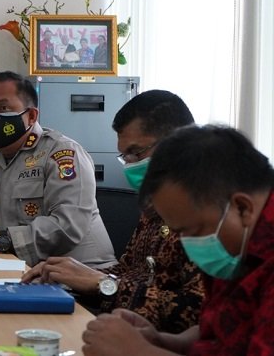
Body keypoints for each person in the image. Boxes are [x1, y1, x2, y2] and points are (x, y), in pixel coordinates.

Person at [22, 90, 204, 333]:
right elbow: (129, 271)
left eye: (136, 153)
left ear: (178, 143)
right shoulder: (154, 206)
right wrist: (72, 275)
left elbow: (196, 312)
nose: (129, 164)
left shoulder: (209, 210)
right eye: (124, 155)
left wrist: (103, 284)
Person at [82, 125, 274, 355]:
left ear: (242, 208)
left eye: (192, 230)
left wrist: (140, 352)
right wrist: (164, 341)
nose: (186, 244)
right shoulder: (237, 248)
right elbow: (220, 330)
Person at [0, 71, 116, 268]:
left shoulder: (63, 153)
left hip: (80, 277)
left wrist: (2, 240)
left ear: (31, 116)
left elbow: (67, 227)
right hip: (14, 268)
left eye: (3, 108)